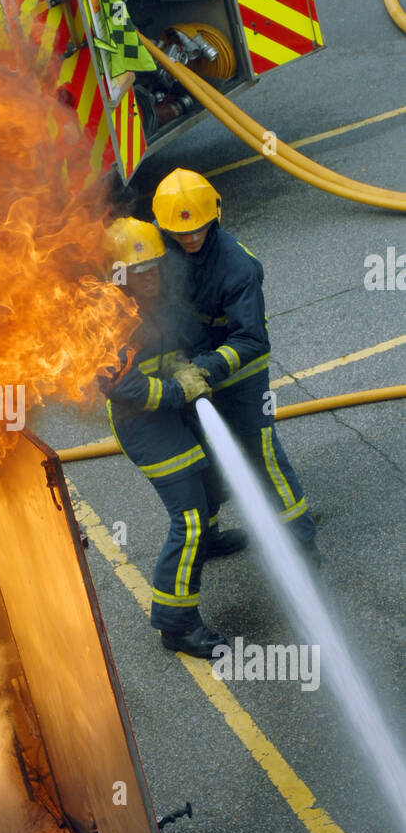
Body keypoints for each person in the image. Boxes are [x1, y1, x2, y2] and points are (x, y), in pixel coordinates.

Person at [151, 168, 320, 563]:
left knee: (262, 453)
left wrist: (203, 368)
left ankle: (300, 539)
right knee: (199, 458)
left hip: (239, 375)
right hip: (188, 370)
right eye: (180, 232)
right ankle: (206, 537)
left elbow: (251, 340)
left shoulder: (236, 266)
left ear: (216, 217)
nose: (191, 238)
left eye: (200, 229)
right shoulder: (159, 245)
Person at [98, 217, 246, 659]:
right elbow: (120, 386)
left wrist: (183, 361)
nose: (149, 277)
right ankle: (176, 624)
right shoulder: (108, 318)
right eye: (137, 271)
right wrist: (179, 388)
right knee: (189, 518)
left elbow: (173, 343)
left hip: (172, 408)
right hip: (143, 426)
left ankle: (210, 540)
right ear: (118, 275)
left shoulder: (161, 300)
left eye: (155, 266)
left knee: (212, 481)